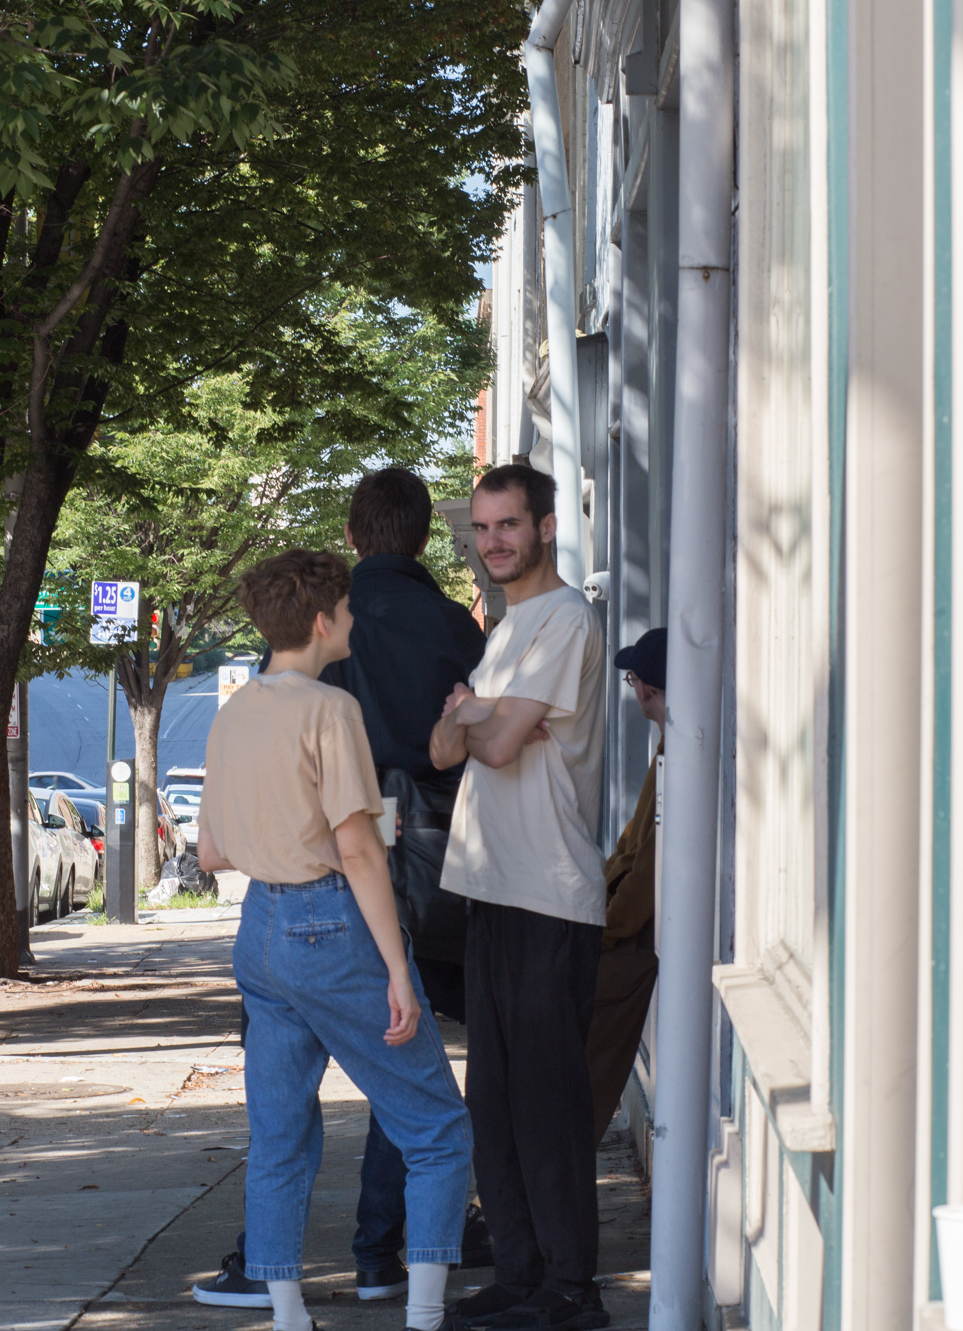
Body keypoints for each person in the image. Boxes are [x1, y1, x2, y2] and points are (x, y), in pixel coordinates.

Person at [193, 469, 493, 1312]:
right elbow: (359, 846)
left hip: (261, 930)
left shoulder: (235, 712)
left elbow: (212, 849)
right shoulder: (331, 712)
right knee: (434, 1125)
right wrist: (399, 969)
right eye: (348, 613)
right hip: (334, 920)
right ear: (324, 623)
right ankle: (424, 1304)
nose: (357, 621)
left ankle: (286, 1307)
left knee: (281, 1136)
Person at [430, 465, 608, 1331]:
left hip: (551, 894)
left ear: (544, 526)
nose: (493, 541)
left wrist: (480, 717)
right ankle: (520, 1269)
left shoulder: (568, 618)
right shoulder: (502, 630)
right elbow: (442, 745)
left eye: (509, 525)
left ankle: (574, 1288)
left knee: (547, 1107)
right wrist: (479, 711)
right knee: (493, 1102)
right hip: (489, 889)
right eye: (484, 529)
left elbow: (493, 748)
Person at [590, 628, 665, 1143]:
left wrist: (606, 927)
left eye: (634, 679)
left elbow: (647, 869)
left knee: (584, 1078)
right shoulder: (673, 747)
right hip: (625, 931)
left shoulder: (678, 752)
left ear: (647, 688)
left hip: (630, 943)